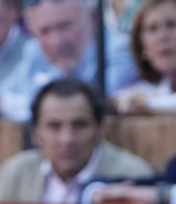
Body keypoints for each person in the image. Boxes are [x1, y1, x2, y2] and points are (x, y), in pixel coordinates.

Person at [0, 76, 154, 204]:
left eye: (79, 125)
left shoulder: (132, 175)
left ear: (99, 130)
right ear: (36, 134)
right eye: (54, 126)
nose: (67, 139)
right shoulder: (16, 173)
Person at [7, 0, 137, 118]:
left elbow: (84, 104)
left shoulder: (121, 50)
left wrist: (3, 104)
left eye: (64, 26)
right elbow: (5, 94)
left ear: (93, 18)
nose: (56, 42)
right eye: (45, 31)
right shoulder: (34, 52)